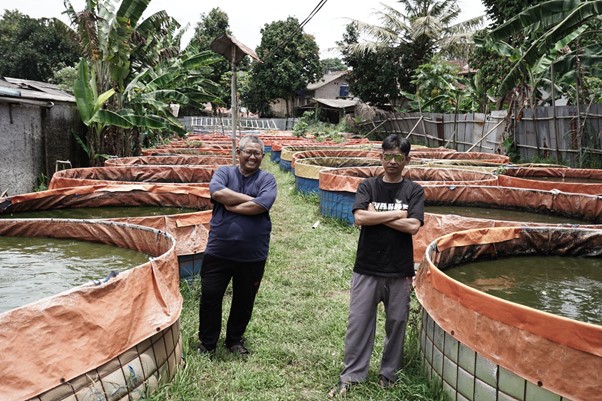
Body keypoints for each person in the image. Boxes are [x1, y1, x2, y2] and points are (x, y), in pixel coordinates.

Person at [329, 134, 424, 397]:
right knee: (359, 323)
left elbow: (413, 226)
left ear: (407, 160)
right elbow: (360, 217)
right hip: (367, 267)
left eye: (398, 157)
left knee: (396, 323)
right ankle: (352, 375)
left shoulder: (413, 190)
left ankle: (388, 374)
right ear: (380, 157)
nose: (392, 162)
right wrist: (396, 214)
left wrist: (377, 216)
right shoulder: (367, 186)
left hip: (399, 270)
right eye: (388, 156)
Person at [198, 135, 277, 356]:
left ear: (262, 156)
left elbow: (262, 205)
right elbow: (217, 192)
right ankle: (207, 343)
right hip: (219, 250)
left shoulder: (267, 179)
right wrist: (249, 198)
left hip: (252, 254)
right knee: (210, 296)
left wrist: (232, 205)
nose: (252, 156)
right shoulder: (224, 172)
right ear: (239, 153)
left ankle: (234, 340)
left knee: (244, 300)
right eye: (248, 152)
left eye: (257, 153)